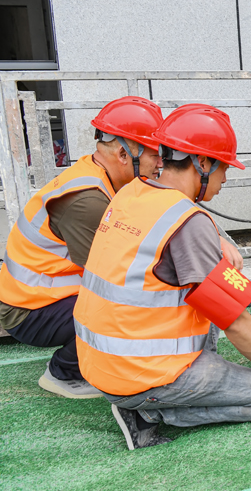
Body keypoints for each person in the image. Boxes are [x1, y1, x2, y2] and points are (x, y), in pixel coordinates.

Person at [73, 104, 251, 450]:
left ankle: (152, 395)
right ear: (203, 163)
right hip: (141, 374)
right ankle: (147, 412)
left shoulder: (132, 193)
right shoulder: (188, 223)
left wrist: (214, 240)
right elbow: (231, 315)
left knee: (206, 288)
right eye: (224, 167)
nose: (225, 179)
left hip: (100, 363)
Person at [0, 96, 164, 398]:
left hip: (43, 298)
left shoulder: (103, 178)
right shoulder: (87, 200)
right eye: (156, 154)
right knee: (127, 303)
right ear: (124, 154)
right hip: (26, 310)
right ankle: (63, 372)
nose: (161, 164)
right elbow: (114, 277)